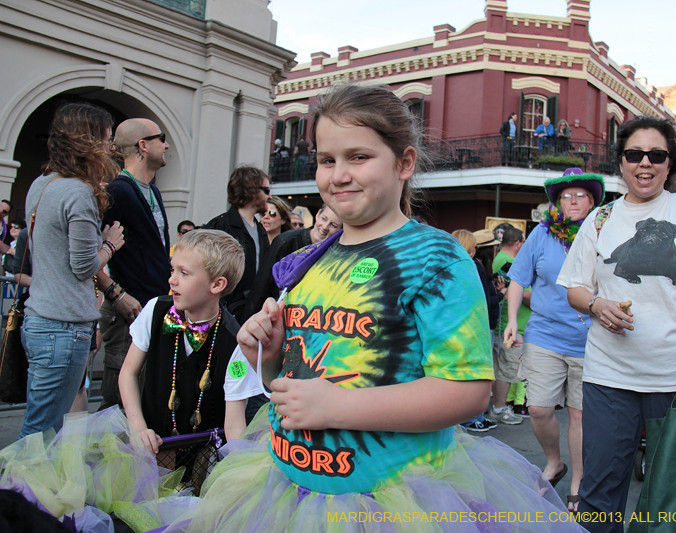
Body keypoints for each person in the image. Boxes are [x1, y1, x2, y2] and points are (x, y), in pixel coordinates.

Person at [170, 84, 582, 532]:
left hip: (389, 501)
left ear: (404, 163)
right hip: (289, 488)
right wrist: (268, 357)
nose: (339, 175)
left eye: (358, 157)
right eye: (327, 160)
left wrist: (337, 407)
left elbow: (467, 392)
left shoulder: (436, 258)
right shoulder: (312, 259)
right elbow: (291, 384)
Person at [557, 116, 676, 531]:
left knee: (674, 494)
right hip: (609, 378)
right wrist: (598, 306)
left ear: (669, 164)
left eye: (656, 155)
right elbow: (575, 288)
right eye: (634, 155)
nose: (645, 164)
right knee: (599, 494)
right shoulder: (600, 220)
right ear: (621, 162)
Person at [19, 102, 125, 438]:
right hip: (62, 328)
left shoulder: (42, 183)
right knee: (41, 435)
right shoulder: (78, 192)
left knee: (39, 427)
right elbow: (82, 267)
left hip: (40, 320)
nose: (111, 149)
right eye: (107, 140)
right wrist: (109, 244)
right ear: (88, 143)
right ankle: (18, 490)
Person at [504, 168, 604, 512]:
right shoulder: (541, 236)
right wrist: (513, 322)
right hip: (544, 334)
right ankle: (554, 461)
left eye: (580, 195)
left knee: (579, 416)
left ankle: (578, 480)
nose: (573, 200)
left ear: (591, 202)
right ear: (557, 203)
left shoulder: (603, 235)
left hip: (591, 340)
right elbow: (518, 279)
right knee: (539, 408)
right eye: (566, 196)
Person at [119, 229, 253, 452]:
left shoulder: (235, 342)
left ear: (217, 285)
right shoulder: (155, 311)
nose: (172, 279)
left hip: (202, 457)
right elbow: (128, 373)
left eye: (184, 273)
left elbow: (234, 422)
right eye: (173, 269)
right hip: (149, 447)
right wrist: (138, 428)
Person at [96, 118, 172, 411]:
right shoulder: (118, 191)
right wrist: (115, 293)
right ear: (143, 145)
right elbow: (88, 252)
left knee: (143, 398)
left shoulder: (153, 191)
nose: (166, 145)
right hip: (127, 311)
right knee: (118, 403)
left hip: (151, 308)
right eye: (160, 138)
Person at [241, 204, 342, 422]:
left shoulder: (338, 250)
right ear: (317, 214)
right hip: (271, 327)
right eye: (323, 218)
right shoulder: (287, 241)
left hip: (304, 338)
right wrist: (250, 325)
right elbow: (261, 288)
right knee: (260, 393)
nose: (324, 227)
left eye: (333, 225)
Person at [204, 166, 271, 323]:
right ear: (252, 190)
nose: (270, 196)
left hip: (251, 313)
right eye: (266, 190)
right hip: (223, 315)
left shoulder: (260, 230)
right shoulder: (220, 226)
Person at [451, 229, 498, 433]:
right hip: (475, 326)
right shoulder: (472, 267)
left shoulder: (451, 266)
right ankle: (473, 419)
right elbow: (482, 301)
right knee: (476, 373)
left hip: (457, 325)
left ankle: (465, 417)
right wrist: (502, 294)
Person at [492, 226, 531, 417]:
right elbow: (526, 294)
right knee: (505, 371)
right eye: (523, 242)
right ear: (518, 243)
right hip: (510, 325)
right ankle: (499, 408)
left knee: (503, 369)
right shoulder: (510, 263)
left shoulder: (499, 259)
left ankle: (499, 406)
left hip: (506, 323)